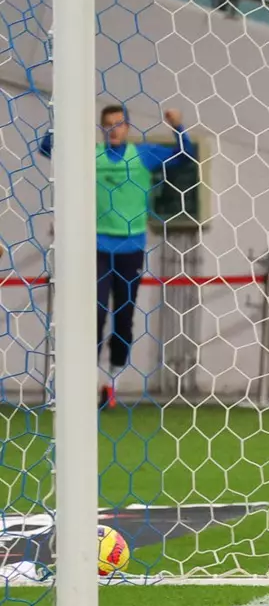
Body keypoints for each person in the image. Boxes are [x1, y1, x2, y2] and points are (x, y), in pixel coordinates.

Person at [39, 103, 196, 409]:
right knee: (94, 314)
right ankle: (87, 381)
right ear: (101, 128)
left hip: (131, 249)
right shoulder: (90, 156)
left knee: (124, 318)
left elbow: (185, 155)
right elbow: (47, 148)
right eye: (108, 124)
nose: (114, 129)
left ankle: (112, 382)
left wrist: (177, 126)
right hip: (96, 247)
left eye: (119, 123)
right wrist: (61, 116)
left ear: (127, 127)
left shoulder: (143, 155)